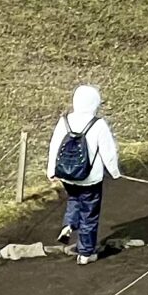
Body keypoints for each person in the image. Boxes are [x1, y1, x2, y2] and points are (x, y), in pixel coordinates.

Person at [46, 84, 121, 266]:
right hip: (90, 178)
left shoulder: (64, 121)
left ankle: (69, 224)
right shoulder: (98, 125)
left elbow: (55, 146)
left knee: (74, 198)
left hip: (67, 175)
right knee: (89, 213)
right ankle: (86, 253)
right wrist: (115, 172)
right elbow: (108, 153)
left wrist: (51, 171)